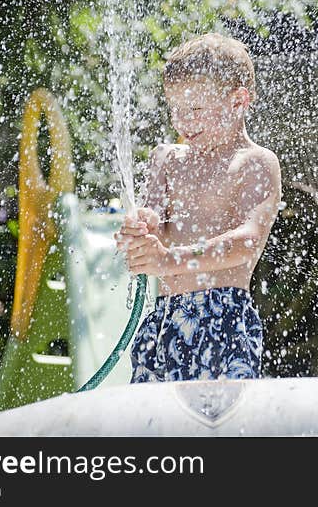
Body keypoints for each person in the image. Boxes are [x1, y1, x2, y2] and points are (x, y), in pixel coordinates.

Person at [114, 32, 281, 382]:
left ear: (238, 101)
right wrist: (139, 233)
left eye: (195, 109)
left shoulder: (254, 163)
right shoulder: (167, 159)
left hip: (224, 320)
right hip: (163, 320)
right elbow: (153, 224)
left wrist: (168, 260)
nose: (181, 122)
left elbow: (248, 241)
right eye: (175, 109)